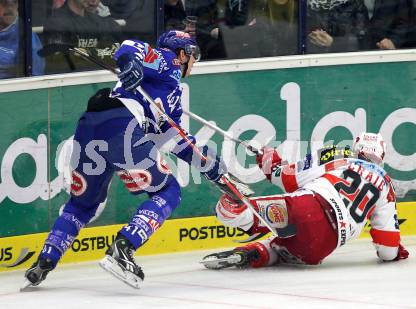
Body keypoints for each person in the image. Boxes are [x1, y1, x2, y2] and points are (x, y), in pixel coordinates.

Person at [23, 30, 249, 289]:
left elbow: (175, 140)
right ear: (183, 53)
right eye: (193, 55)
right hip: (123, 127)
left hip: (92, 126)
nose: (194, 62)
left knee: (83, 204)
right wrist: (129, 62)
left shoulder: (169, 98)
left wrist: (213, 169)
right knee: (168, 191)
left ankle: (45, 259)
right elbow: (132, 47)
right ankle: (123, 249)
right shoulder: (168, 61)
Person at [201, 132, 409, 270]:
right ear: (382, 156)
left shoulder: (340, 156)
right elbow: (388, 250)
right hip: (322, 247)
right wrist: (396, 252)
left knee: (228, 212)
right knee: (283, 247)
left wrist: (268, 158)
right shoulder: (386, 185)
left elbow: (284, 178)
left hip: (308, 207)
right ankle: (261, 251)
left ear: (356, 148)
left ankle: (238, 207)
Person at [42, 0, 122, 74]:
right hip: (71, 81)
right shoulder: (56, 23)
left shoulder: (99, 22)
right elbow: (60, 63)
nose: (94, 1)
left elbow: (117, 52)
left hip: (99, 76)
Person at [0, 0, 45, 79]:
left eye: (14, 2)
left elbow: (35, 78)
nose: (10, 8)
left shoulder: (27, 36)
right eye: (4, 3)